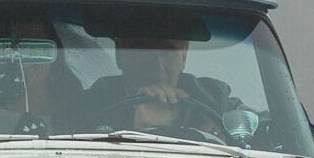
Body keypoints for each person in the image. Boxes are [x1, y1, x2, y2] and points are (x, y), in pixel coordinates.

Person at [81, 30, 233, 137]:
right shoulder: (89, 107)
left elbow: (248, 139)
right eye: (142, 50)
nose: (156, 65)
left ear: (184, 55)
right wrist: (141, 132)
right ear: (120, 53)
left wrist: (218, 134)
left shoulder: (215, 101)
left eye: (168, 50)